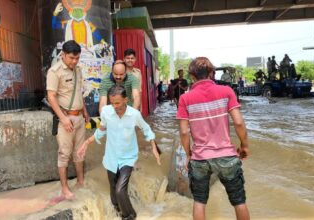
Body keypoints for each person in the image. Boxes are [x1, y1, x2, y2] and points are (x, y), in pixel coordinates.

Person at [176, 57, 250, 220]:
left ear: (192, 76)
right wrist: (244, 145)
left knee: (199, 202)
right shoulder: (226, 91)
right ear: (212, 73)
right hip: (227, 156)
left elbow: (183, 132)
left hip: (200, 158)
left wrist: (188, 154)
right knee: (239, 201)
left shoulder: (185, 99)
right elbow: (238, 122)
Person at [77, 85, 161, 220]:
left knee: (120, 190)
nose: (115, 106)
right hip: (111, 157)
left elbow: (146, 129)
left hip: (128, 158)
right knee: (113, 192)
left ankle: (131, 215)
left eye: (118, 103)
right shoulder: (106, 112)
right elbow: (102, 129)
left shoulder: (134, 114)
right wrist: (87, 142)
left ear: (125, 100)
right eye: (112, 102)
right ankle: (119, 213)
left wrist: (153, 147)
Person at [46, 40, 90, 200]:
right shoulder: (54, 71)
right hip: (66, 119)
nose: (74, 61)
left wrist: (85, 111)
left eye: (77, 58)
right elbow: (51, 97)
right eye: (71, 58)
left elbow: (78, 92)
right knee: (64, 153)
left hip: (79, 117)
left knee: (80, 152)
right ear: (63, 55)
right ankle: (64, 189)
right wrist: (63, 118)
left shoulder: (78, 70)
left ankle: (80, 181)